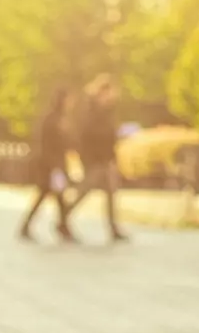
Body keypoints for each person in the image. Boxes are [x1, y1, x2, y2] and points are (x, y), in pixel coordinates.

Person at [60, 74, 128, 243]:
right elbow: (88, 135)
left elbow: (109, 136)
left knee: (110, 193)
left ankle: (113, 228)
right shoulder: (91, 111)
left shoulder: (106, 111)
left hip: (105, 158)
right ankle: (63, 217)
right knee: (85, 190)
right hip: (94, 159)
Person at [18, 87, 75, 242]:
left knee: (57, 198)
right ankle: (60, 228)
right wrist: (55, 166)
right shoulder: (52, 120)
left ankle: (62, 227)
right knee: (49, 196)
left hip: (55, 165)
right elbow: (48, 145)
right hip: (50, 166)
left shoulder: (60, 119)